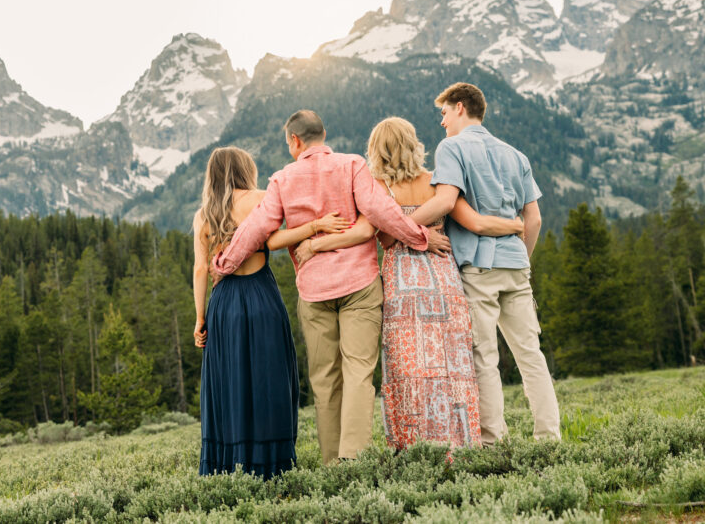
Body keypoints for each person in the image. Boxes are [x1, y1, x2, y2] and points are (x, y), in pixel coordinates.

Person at [211, 110, 451, 465]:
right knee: (358, 372)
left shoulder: (283, 178)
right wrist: (420, 237)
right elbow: (381, 211)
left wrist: (225, 263)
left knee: (324, 380)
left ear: (294, 141)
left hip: (314, 290)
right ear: (324, 134)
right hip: (360, 285)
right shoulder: (352, 165)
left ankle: (330, 463)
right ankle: (353, 459)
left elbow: (258, 228)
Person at [296, 117, 524, 450]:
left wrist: (315, 243)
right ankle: (459, 444)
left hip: (403, 284)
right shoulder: (437, 181)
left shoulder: (377, 188)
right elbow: (472, 221)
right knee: (451, 364)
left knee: (407, 369)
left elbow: (384, 238)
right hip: (443, 280)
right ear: (413, 144)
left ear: (377, 151)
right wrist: (514, 225)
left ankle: (412, 447)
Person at [410, 83, 561, 444]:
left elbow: (447, 202)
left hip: (478, 267)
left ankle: (494, 441)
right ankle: (549, 438)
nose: (442, 123)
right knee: (531, 355)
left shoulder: (452, 148)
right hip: (515, 264)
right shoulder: (515, 154)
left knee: (484, 357)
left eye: (444, 113)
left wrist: (402, 222)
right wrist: (521, 260)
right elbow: (534, 219)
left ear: (460, 107)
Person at [192, 146, 352, 479]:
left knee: (229, 382)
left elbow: (199, 270)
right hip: (262, 295)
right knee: (270, 379)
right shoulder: (261, 197)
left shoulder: (203, 214)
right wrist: (315, 227)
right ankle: (272, 464)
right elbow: (276, 238)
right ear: (244, 169)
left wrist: (200, 318)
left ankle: (228, 466)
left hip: (223, 304)